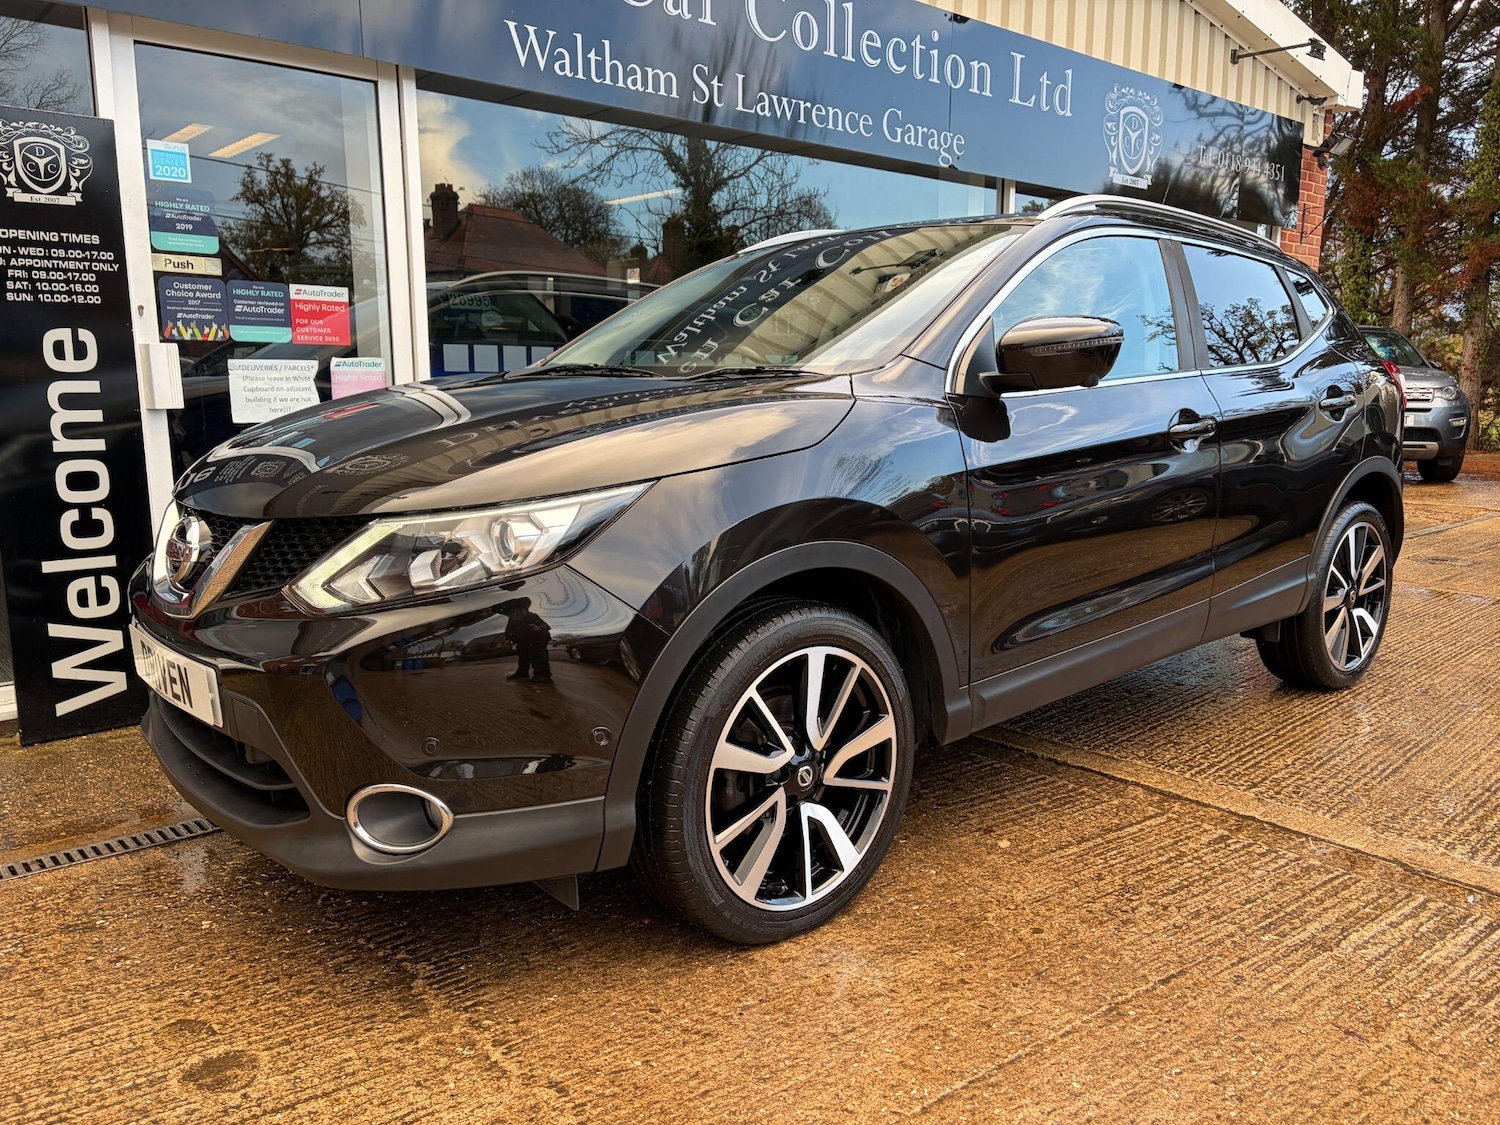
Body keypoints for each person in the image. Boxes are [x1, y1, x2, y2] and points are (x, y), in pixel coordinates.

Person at [500, 597, 553, 683]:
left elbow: (546, 626)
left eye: (520, 611)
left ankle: (543, 675)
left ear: (525, 610)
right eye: (515, 611)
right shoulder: (512, 619)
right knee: (523, 657)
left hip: (537, 640)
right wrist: (507, 638)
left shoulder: (533, 616)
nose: (518, 613)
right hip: (523, 641)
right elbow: (508, 630)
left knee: (539, 657)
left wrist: (538, 628)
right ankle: (522, 672)